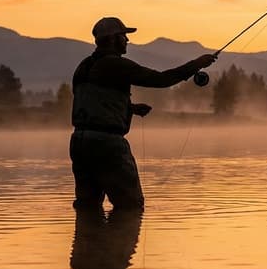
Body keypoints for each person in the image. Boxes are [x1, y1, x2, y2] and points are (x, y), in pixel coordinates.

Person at [70, 16, 215, 210]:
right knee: (131, 206)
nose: (127, 40)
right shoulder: (115, 64)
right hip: (107, 145)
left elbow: (91, 99)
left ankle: (90, 239)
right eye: (123, 36)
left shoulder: (83, 66)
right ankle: (120, 239)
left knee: (87, 206)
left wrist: (130, 108)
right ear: (113, 39)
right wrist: (196, 64)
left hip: (79, 143)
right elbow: (161, 79)